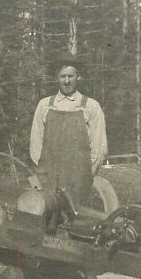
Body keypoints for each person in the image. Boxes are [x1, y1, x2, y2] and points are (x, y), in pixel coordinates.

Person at [29, 52, 108, 206]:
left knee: (78, 223)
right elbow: (35, 144)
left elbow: (99, 148)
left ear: (78, 77)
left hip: (79, 181)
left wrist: (85, 176)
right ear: (57, 78)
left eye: (70, 76)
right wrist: (44, 175)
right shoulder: (45, 105)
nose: (66, 81)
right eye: (62, 76)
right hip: (49, 181)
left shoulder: (91, 106)